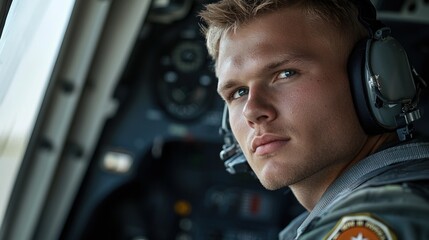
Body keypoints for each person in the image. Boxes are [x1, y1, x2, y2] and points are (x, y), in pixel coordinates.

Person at [199, 0, 429, 239]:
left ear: (369, 77)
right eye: (238, 92)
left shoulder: (387, 215)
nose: (252, 111)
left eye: (285, 74)